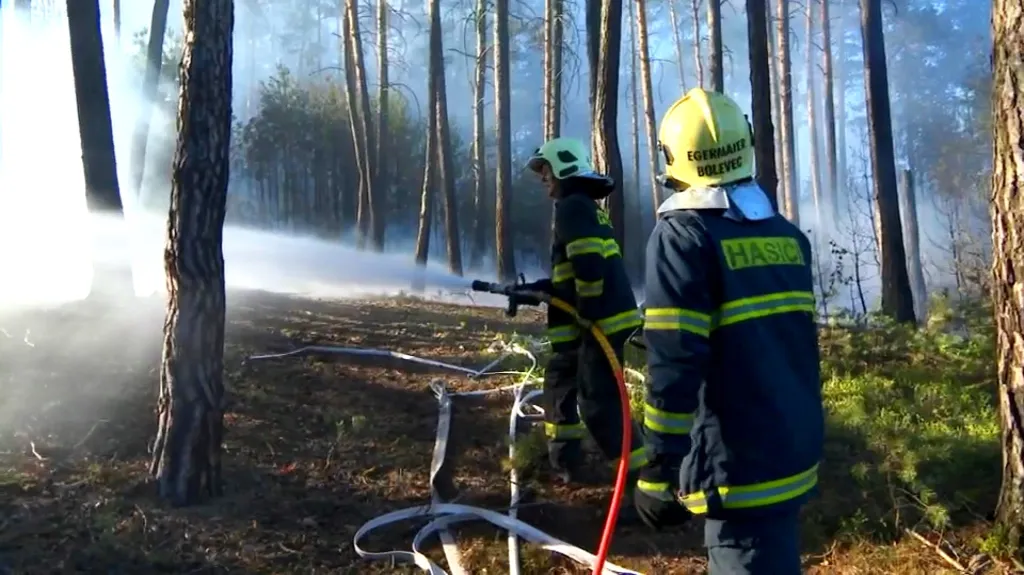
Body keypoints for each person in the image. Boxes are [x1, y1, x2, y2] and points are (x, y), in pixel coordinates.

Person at [632, 88, 824, 574]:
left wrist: (659, 467)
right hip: (791, 447)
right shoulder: (786, 236)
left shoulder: (683, 236)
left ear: (674, 157)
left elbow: (675, 362)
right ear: (747, 144)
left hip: (736, 464)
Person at [522, 137, 647, 484]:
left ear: (563, 168)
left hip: (599, 324)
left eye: (546, 171)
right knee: (561, 381)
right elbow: (574, 270)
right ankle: (566, 461)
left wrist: (588, 313)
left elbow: (589, 263)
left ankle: (640, 477)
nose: (543, 178)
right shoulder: (582, 207)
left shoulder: (573, 207)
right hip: (592, 324)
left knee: (599, 403)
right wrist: (541, 290)